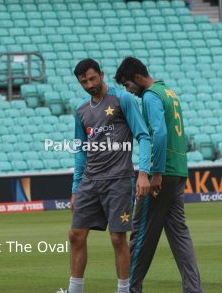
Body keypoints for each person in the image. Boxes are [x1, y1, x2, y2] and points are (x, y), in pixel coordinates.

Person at [115, 57, 203, 293]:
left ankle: (130, 289)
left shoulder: (150, 95)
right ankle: (194, 289)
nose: (129, 92)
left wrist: (156, 173)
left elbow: (160, 134)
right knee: (180, 236)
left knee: (141, 235)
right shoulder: (169, 93)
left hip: (161, 174)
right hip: (178, 171)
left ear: (136, 78)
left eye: (127, 85)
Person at [68, 58, 151, 293]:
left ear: (102, 74)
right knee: (75, 235)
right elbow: (80, 151)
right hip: (89, 182)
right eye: (83, 81)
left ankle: (124, 290)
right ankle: (75, 289)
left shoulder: (122, 99)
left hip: (119, 180)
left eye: (92, 78)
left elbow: (143, 136)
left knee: (117, 238)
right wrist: (75, 188)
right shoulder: (81, 111)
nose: (89, 84)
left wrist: (143, 173)